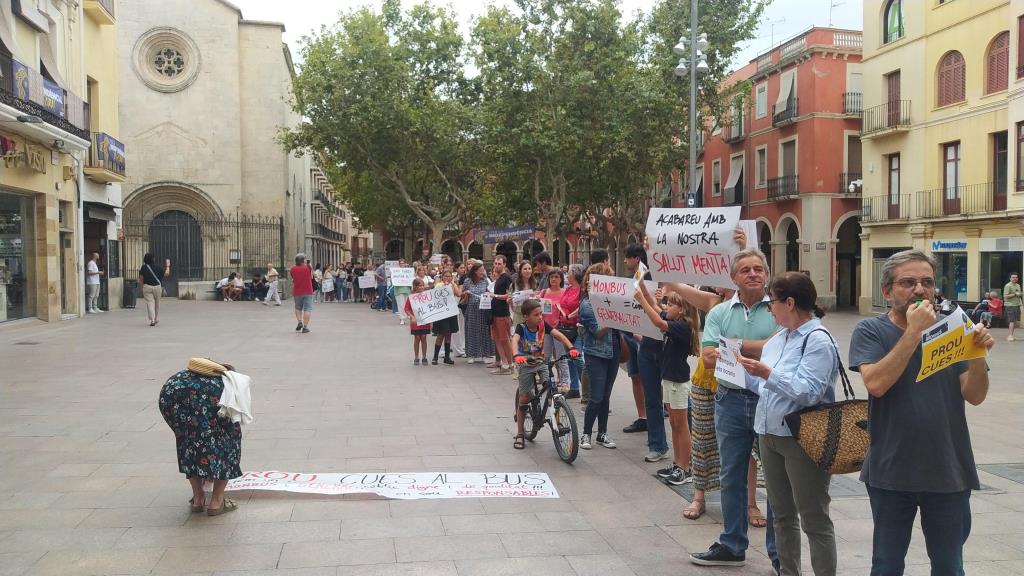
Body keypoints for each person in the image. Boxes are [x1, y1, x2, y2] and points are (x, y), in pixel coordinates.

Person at [849, 249, 994, 576]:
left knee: (949, 565)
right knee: (886, 565)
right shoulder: (870, 331)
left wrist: (976, 356)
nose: (919, 290)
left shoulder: (955, 327)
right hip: (891, 470)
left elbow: (974, 395)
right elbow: (876, 384)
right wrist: (914, 332)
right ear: (887, 291)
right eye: (908, 282)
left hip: (948, 468)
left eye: (926, 282)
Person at [734, 272, 839, 576]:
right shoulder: (779, 338)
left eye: (772, 302)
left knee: (814, 518)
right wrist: (741, 372)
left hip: (802, 438)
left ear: (790, 303)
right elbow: (769, 389)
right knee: (781, 515)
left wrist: (767, 374)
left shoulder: (818, 340)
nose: (770, 308)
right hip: (769, 434)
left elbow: (808, 392)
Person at [690, 248, 778, 569]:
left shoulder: (781, 310)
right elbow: (709, 357)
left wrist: (733, 345)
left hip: (770, 401)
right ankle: (732, 543)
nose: (753, 274)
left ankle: (779, 553)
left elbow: (781, 350)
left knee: (777, 478)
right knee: (731, 476)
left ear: (767, 275)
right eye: (745, 270)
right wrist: (761, 348)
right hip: (729, 400)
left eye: (758, 269)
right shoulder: (719, 312)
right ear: (733, 277)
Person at [158, 359, 242, 517]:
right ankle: (217, 502)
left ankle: (198, 499)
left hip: (177, 407)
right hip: (210, 409)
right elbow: (234, 415)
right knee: (228, 446)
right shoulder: (226, 383)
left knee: (189, 445)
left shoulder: (179, 378)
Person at [636, 283, 699, 486]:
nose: (666, 307)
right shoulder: (675, 319)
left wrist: (640, 300)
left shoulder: (682, 326)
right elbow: (657, 309)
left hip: (678, 381)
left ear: (681, 309)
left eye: (670, 304)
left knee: (681, 425)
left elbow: (657, 320)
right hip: (669, 378)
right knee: (673, 422)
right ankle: (677, 463)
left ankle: (686, 468)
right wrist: (644, 289)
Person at [511, 298, 579, 449]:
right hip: (525, 364)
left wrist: (571, 348)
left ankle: (558, 421)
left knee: (551, 389)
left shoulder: (544, 325)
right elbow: (514, 341)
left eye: (541, 314)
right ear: (526, 317)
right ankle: (520, 433)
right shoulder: (521, 328)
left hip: (541, 363)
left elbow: (559, 336)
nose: (540, 317)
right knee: (524, 398)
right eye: (536, 315)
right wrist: (516, 355)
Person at [623, 242, 668, 462]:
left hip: (670, 346)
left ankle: (688, 445)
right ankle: (657, 444)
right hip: (647, 344)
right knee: (652, 399)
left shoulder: (676, 283)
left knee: (677, 399)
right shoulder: (641, 277)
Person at [577, 263, 618, 450]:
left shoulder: (612, 301)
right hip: (596, 354)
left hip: (614, 352)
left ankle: (602, 433)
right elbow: (598, 332)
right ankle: (586, 434)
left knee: (606, 396)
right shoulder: (586, 305)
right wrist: (614, 318)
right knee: (596, 397)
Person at [538, 269, 570, 393]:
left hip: (559, 328)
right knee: (546, 356)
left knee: (561, 355)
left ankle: (565, 381)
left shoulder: (565, 292)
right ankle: (547, 380)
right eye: (551, 277)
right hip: (546, 328)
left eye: (556, 277)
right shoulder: (544, 292)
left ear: (561, 279)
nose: (554, 279)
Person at [461, 261, 496, 364]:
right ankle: (471, 354)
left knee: (484, 332)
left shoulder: (486, 281)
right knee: (471, 331)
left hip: (483, 310)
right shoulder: (467, 281)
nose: (483, 272)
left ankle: (485, 354)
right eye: (481, 270)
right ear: (475, 271)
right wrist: (466, 293)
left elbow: (491, 292)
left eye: (483, 270)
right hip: (471, 310)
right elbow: (462, 294)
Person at [558, 264, 584, 399]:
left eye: (569, 273)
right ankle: (574, 388)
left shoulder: (582, 290)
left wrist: (569, 316)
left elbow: (581, 307)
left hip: (577, 327)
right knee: (570, 359)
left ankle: (586, 387)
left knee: (577, 357)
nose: (567, 275)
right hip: (566, 328)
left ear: (575, 274)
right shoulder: (568, 289)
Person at [489, 255, 515, 375]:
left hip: (503, 313)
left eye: (499, 264)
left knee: (505, 339)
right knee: (497, 339)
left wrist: (495, 296)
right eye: (495, 263)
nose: (497, 266)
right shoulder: (498, 278)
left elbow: (510, 295)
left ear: (504, 264)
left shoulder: (507, 278)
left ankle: (510, 365)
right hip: (494, 312)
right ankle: (504, 364)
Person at [430, 269, 461, 365]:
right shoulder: (439, 285)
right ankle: (435, 357)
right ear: (442, 277)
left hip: (451, 312)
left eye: (449, 276)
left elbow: (458, 294)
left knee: (449, 334)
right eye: (446, 276)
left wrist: (453, 283)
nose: (447, 278)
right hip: (442, 313)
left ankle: (447, 357)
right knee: (441, 334)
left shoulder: (452, 285)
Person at [139, 253, 171, 327]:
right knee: (157, 303)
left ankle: (152, 319)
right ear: (153, 259)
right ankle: (155, 318)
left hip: (147, 287)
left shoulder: (143, 267)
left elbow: (141, 279)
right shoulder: (158, 267)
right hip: (157, 287)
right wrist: (168, 266)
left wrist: (141, 288)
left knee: (150, 303)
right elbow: (166, 274)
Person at [406, 278, 433, 365]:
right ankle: (416, 357)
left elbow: (431, 308)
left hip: (425, 320)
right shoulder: (411, 297)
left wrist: (431, 321)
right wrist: (412, 317)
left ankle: (424, 357)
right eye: (419, 286)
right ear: (415, 287)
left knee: (424, 338)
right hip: (415, 321)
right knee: (417, 338)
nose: (421, 287)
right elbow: (407, 309)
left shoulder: (427, 296)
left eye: (422, 286)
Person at [290, 253, 314, 333]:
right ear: (303, 260)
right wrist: (309, 265)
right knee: (307, 309)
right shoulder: (308, 267)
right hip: (308, 291)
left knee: (298, 307)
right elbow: (312, 276)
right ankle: (305, 327)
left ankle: (299, 321)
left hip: (297, 291)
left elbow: (293, 278)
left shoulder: (292, 268)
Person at [511, 261, 538, 327]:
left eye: (529, 268)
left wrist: (537, 296)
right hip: (519, 315)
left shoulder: (535, 283)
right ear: (520, 271)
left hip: (532, 315)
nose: (527, 271)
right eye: (525, 269)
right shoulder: (515, 284)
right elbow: (510, 298)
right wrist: (510, 300)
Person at [452, 261, 468, 358]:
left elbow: (460, 293)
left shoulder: (464, 278)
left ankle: (462, 345)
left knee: (461, 325)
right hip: (454, 304)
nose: (463, 269)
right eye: (461, 268)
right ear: (456, 269)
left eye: (464, 267)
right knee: (456, 327)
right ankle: (457, 347)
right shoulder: (454, 277)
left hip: (461, 304)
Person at [394, 259, 412, 325]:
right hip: (398, 290)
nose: (402, 264)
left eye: (403, 263)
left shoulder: (408, 271)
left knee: (407, 305)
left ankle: (408, 316)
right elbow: (393, 280)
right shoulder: (395, 271)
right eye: (400, 263)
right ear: (399, 264)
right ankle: (402, 318)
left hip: (407, 290)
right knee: (401, 305)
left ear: (405, 263)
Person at [1004, 272, 1021, 341]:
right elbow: (1005, 296)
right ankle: (1010, 336)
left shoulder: (1018, 285)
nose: (1015, 278)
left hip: (1017, 305)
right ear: (1010, 278)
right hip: (1010, 305)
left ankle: (1011, 335)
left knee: (1014, 321)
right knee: (1011, 321)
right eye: (1013, 277)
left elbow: (1019, 294)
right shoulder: (1008, 286)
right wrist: (1015, 294)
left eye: (1016, 277)